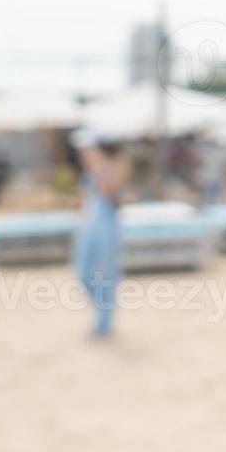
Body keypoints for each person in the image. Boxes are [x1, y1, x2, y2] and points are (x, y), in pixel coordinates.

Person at [70, 129, 128, 339]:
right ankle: (101, 317)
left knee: (104, 274)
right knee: (84, 273)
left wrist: (99, 161)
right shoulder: (95, 166)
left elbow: (109, 189)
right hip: (91, 219)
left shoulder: (113, 164)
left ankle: (103, 322)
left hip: (104, 221)